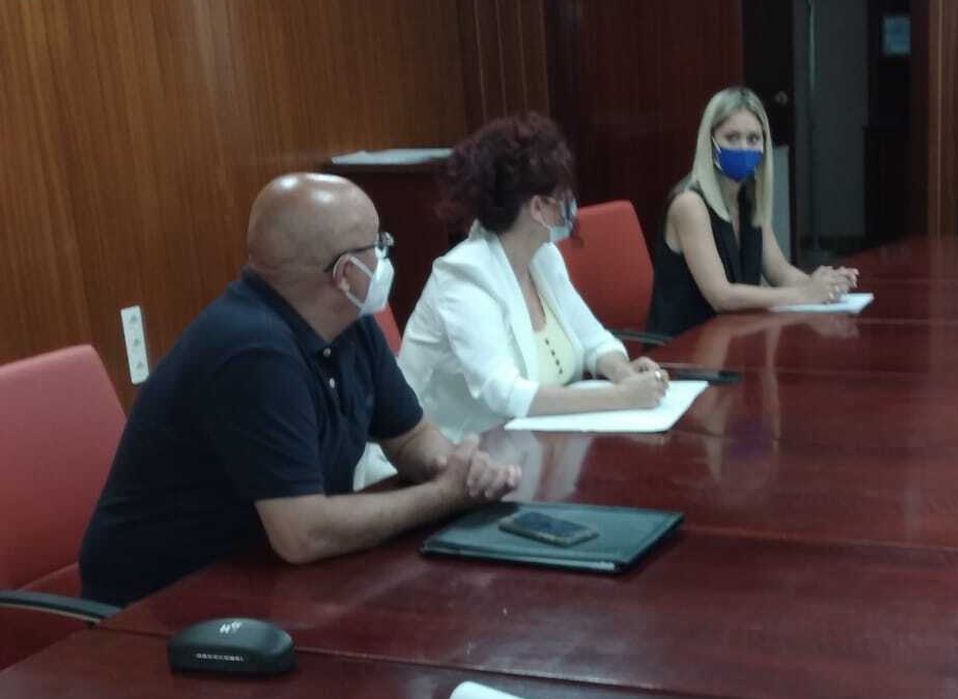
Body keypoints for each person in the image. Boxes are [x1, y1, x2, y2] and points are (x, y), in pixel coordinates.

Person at [79, 174, 520, 607]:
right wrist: (444, 496)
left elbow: (410, 435)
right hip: (161, 609)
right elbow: (302, 534)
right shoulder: (252, 352)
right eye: (379, 245)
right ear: (346, 274)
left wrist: (454, 469)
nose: (386, 256)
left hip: (262, 580)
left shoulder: (350, 323)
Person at [400, 113, 669, 439]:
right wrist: (619, 398)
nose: (571, 202)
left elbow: (593, 338)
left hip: (534, 448)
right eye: (564, 194)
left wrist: (622, 372)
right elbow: (503, 392)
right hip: (457, 456)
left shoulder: (542, 257)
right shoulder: (464, 277)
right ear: (539, 208)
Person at [646, 87, 859, 338]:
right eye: (732, 137)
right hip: (683, 349)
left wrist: (825, 285)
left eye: (753, 139)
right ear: (710, 143)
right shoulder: (690, 204)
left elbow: (779, 271)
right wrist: (804, 294)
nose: (743, 147)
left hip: (730, 338)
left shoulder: (749, 198)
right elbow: (720, 296)